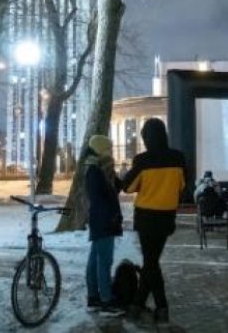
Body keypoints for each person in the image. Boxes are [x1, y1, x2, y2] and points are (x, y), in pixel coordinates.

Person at [121, 118, 186, 323]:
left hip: (147, 218)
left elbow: (128, 187)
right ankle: (137, 305)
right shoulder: (178, 157)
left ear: (146, 138)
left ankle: (161, 308)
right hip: (167, 218)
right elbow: (182, 186)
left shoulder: (142, 160)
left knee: (150, 263)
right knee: (151, 263)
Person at [84, 135, 124, 316]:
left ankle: (93, 297)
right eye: (108, 148)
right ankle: (106, 300)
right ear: (101, 149)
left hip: (101, 220)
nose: (111, 151)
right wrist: (111, 218)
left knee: (95, 260)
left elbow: (117, 187)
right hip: (104, 221)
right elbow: (103, 198)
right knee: (104, 262)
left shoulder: (99, 168)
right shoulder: (95, 170)